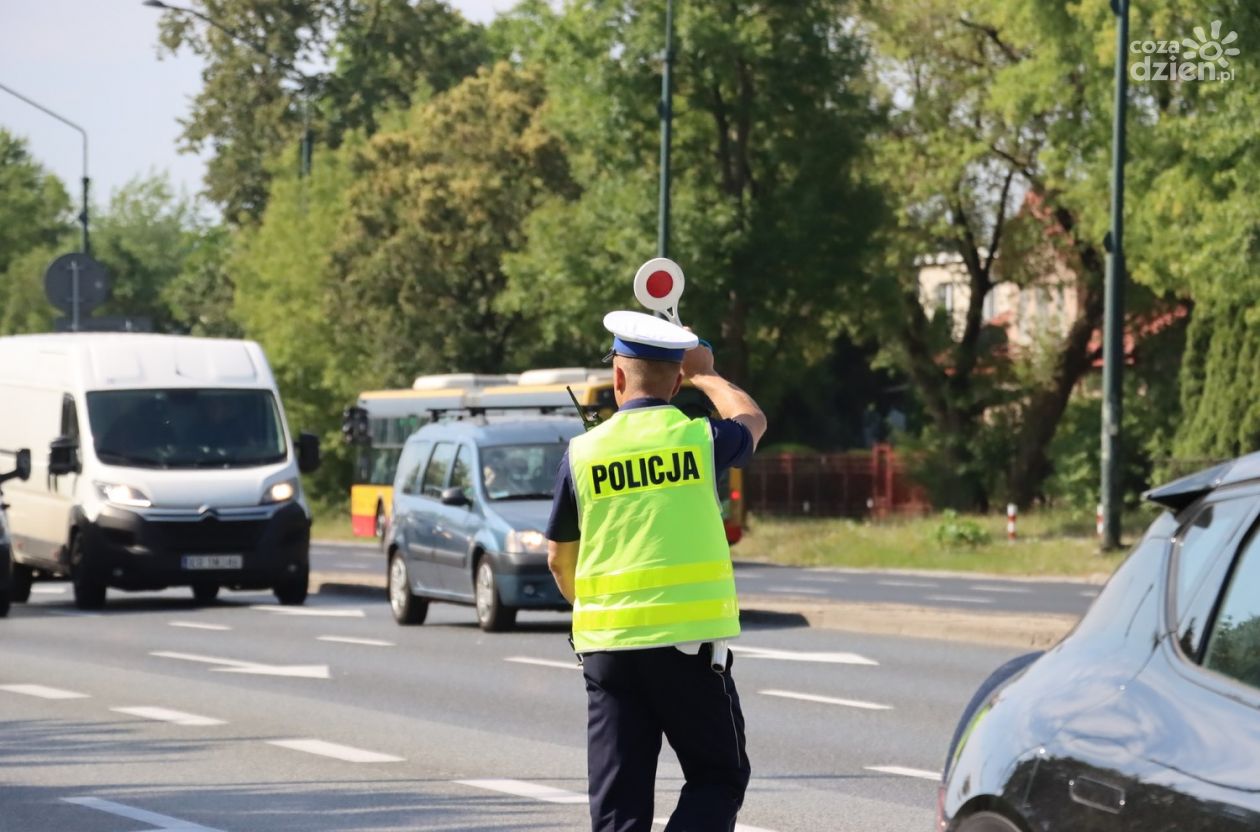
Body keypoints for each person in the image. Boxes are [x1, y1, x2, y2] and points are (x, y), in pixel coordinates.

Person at [546, 310, 767, 832]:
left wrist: (596, 611)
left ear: (618, 378)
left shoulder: (582, 452)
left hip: (607, 651)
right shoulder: (698, 440)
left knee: (619, 808)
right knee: (718, 778)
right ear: (676, 380)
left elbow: (558, 556)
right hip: (686, 650)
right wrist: (708, 374)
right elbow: (753, 421)